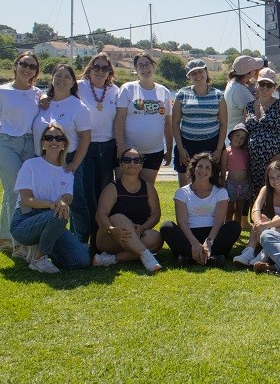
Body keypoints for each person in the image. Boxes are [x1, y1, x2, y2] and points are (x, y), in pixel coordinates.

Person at [0, 51, 43, 258]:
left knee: (12, 191)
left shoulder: (37, 94)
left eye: (32, 66)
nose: (27, 69)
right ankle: (19, 244)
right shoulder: (1, 92)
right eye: (23, 64)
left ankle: (5, 240)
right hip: (6, 144)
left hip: (29, 145)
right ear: (15, 65)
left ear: (36, 71)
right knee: (16, 191)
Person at [9, 122, 91, 273]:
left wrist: (62, 201)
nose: (54, 141)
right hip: (25, 221)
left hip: (53, 223)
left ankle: (44, 247)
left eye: (59, 139)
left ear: (64, 144)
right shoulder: (30, 165)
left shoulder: (67, 172)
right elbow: (26, 200)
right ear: (43, 143)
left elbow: (68, 198)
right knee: (58, 215)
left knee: (82, 260)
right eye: (49, 138)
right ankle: (38, 259)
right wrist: (53, 204)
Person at [33, 64, 93, 242]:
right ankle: (47, 239)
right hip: (42, 160)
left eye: (67, 77)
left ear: (73, 82)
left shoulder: (79, 107)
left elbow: (85, 138)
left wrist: (75, 164)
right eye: (58, 76)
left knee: (76, 202)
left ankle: (80, 241)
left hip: (68, 160)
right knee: (45, 200)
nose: (61, 80)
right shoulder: (43, 103)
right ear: (51, 79)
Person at [160, 152, 241, 266]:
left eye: (208, 167)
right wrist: (194, 243)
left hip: (213, 235)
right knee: (166, 226)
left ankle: (190, 258)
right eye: (200, 166)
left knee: (234, 226)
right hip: (189, 235)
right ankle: (210, 258)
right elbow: (182, 222)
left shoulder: (220, 192)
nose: (203, 170)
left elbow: (219, 222)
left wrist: (208, 243)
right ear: (193, 169)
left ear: (212, 173)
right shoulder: (182, 193)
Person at [92, 147, 164, 272]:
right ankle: (146, 256)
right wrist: (112, 230)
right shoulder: (112, 187)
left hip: (137, 235)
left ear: (141, 165)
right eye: (127, 160)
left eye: (136, 160)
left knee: (156, 237)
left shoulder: (148, 188)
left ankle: (110, 259)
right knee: (118, 217)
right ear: (121, 164)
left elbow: (155, 214)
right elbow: (100, 215)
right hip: (110, 237)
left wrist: (143, 228)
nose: (132, 163)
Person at [76, 53, 119, 244]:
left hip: (108, 147)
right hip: (85, 146)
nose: (100, 71)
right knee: (85, 194)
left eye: (105, 68)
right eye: (96, 67)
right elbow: (54, 93)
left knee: (104, 194)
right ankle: (81, 237)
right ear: (90, 68)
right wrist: (44, 99)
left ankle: (100, 238)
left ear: (110, 71)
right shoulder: (78, 86)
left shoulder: (115, 91)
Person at [115, 53, 173, 184]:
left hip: (154, 152)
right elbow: (120, 118)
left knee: (146, 190)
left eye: (147, 64)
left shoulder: (164, 92)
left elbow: (168, 125)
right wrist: (120, 146)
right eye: (140, 65)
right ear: (136, 69)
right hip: (128, 150)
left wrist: (169, 150)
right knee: (123, 188)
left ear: (153, 66)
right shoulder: (128, 89)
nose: (144, 68)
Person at [172, 58, 227, 187]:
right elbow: (175, 123)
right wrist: (180, 148)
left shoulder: (218, 95)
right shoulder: (182, 94)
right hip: (187, 145)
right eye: (193, 73)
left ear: (206, 72)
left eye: (200, 71)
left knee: (210, 186)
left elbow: (224, 124)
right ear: (189, 76)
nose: (198, 75)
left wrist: (218, 150)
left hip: (211, 145)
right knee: (185, 189)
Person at [233, 160, 280, 266]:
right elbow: (256, 207)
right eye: (271, 177)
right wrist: (259, 224)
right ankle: (249, 251)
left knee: (277, 218)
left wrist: (267, 225)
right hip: (267, 230)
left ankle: (265, 254)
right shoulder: (266, 190)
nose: (276, 180)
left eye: (279, 176)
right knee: (261, 217)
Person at [245, 68, 280, 196]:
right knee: (257, 195)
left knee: (278, 194)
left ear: (274, 87)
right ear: (257, 85)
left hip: (276, 160)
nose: (265, 88)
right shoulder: (248, 106)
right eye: (262, 84)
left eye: (269, 85)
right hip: (255, 161)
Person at [220, 123, 251, 228]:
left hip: (244, 185)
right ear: (232, 136)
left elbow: (248, 169)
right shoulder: (227, 151)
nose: (239, 139)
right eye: (237, 136)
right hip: (231, 185)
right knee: (229, 210)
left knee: (239, 210)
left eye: (242, 138)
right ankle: (227, 229)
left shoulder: (246, 152)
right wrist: (223, 184)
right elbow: (223, 170)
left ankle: (236, 232)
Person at [224, 55, 262, 131]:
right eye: (254, 69)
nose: (256, 71)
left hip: (233, 133)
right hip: (239, 137)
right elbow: (256, 112)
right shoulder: (240, 90)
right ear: (248, 74)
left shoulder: (232, 84)